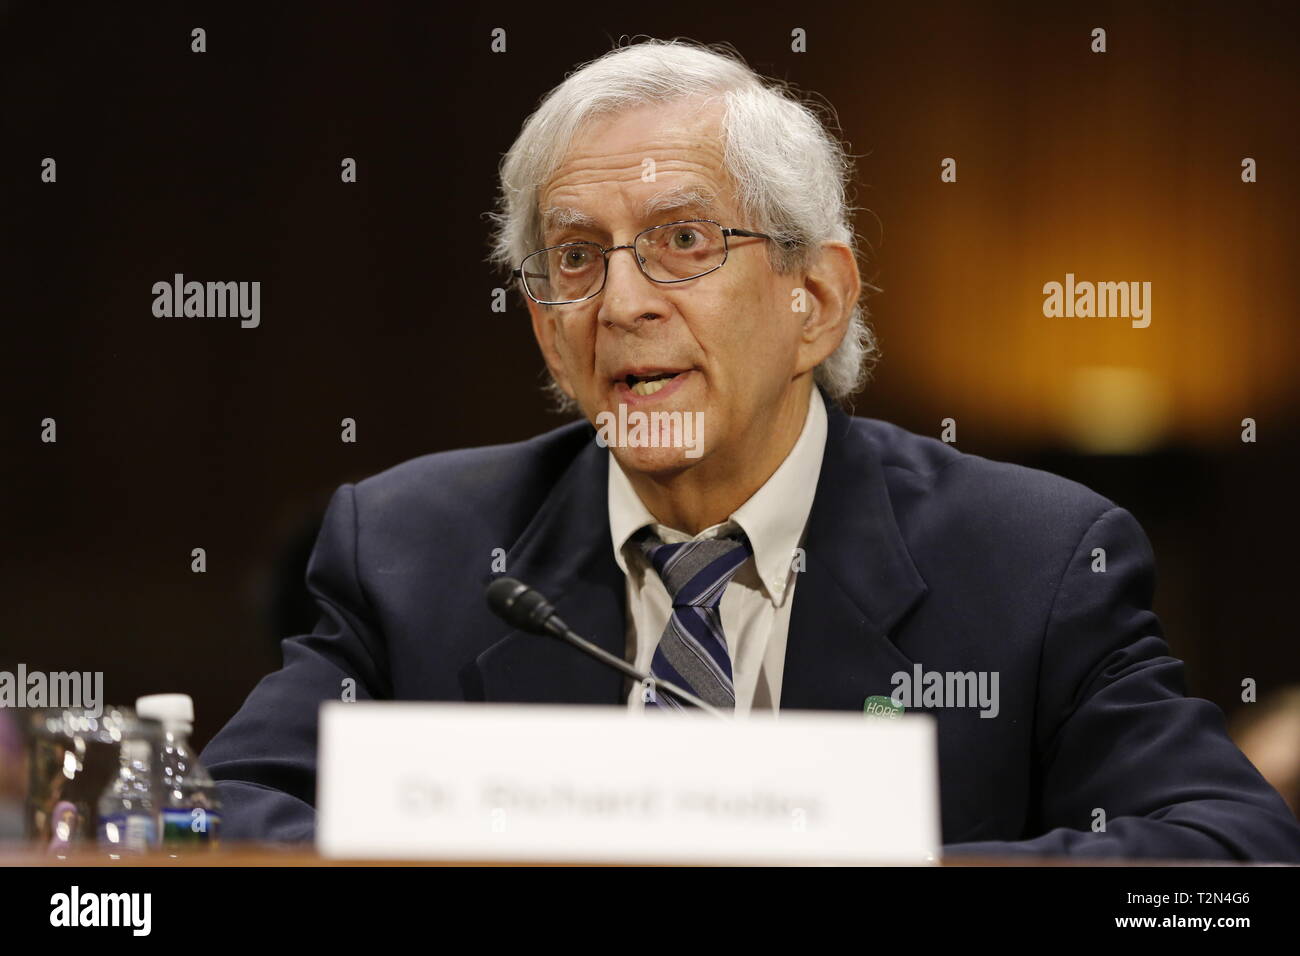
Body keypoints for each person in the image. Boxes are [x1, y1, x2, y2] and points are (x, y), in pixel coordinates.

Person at [201, 38, 1300, 861]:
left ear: (813, 299)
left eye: (682, 241)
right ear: (545, 324)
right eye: (573, 258)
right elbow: (222, 817)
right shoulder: (410, 548)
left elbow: (1223, 855)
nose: (618, 301)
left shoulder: (1033, 561)